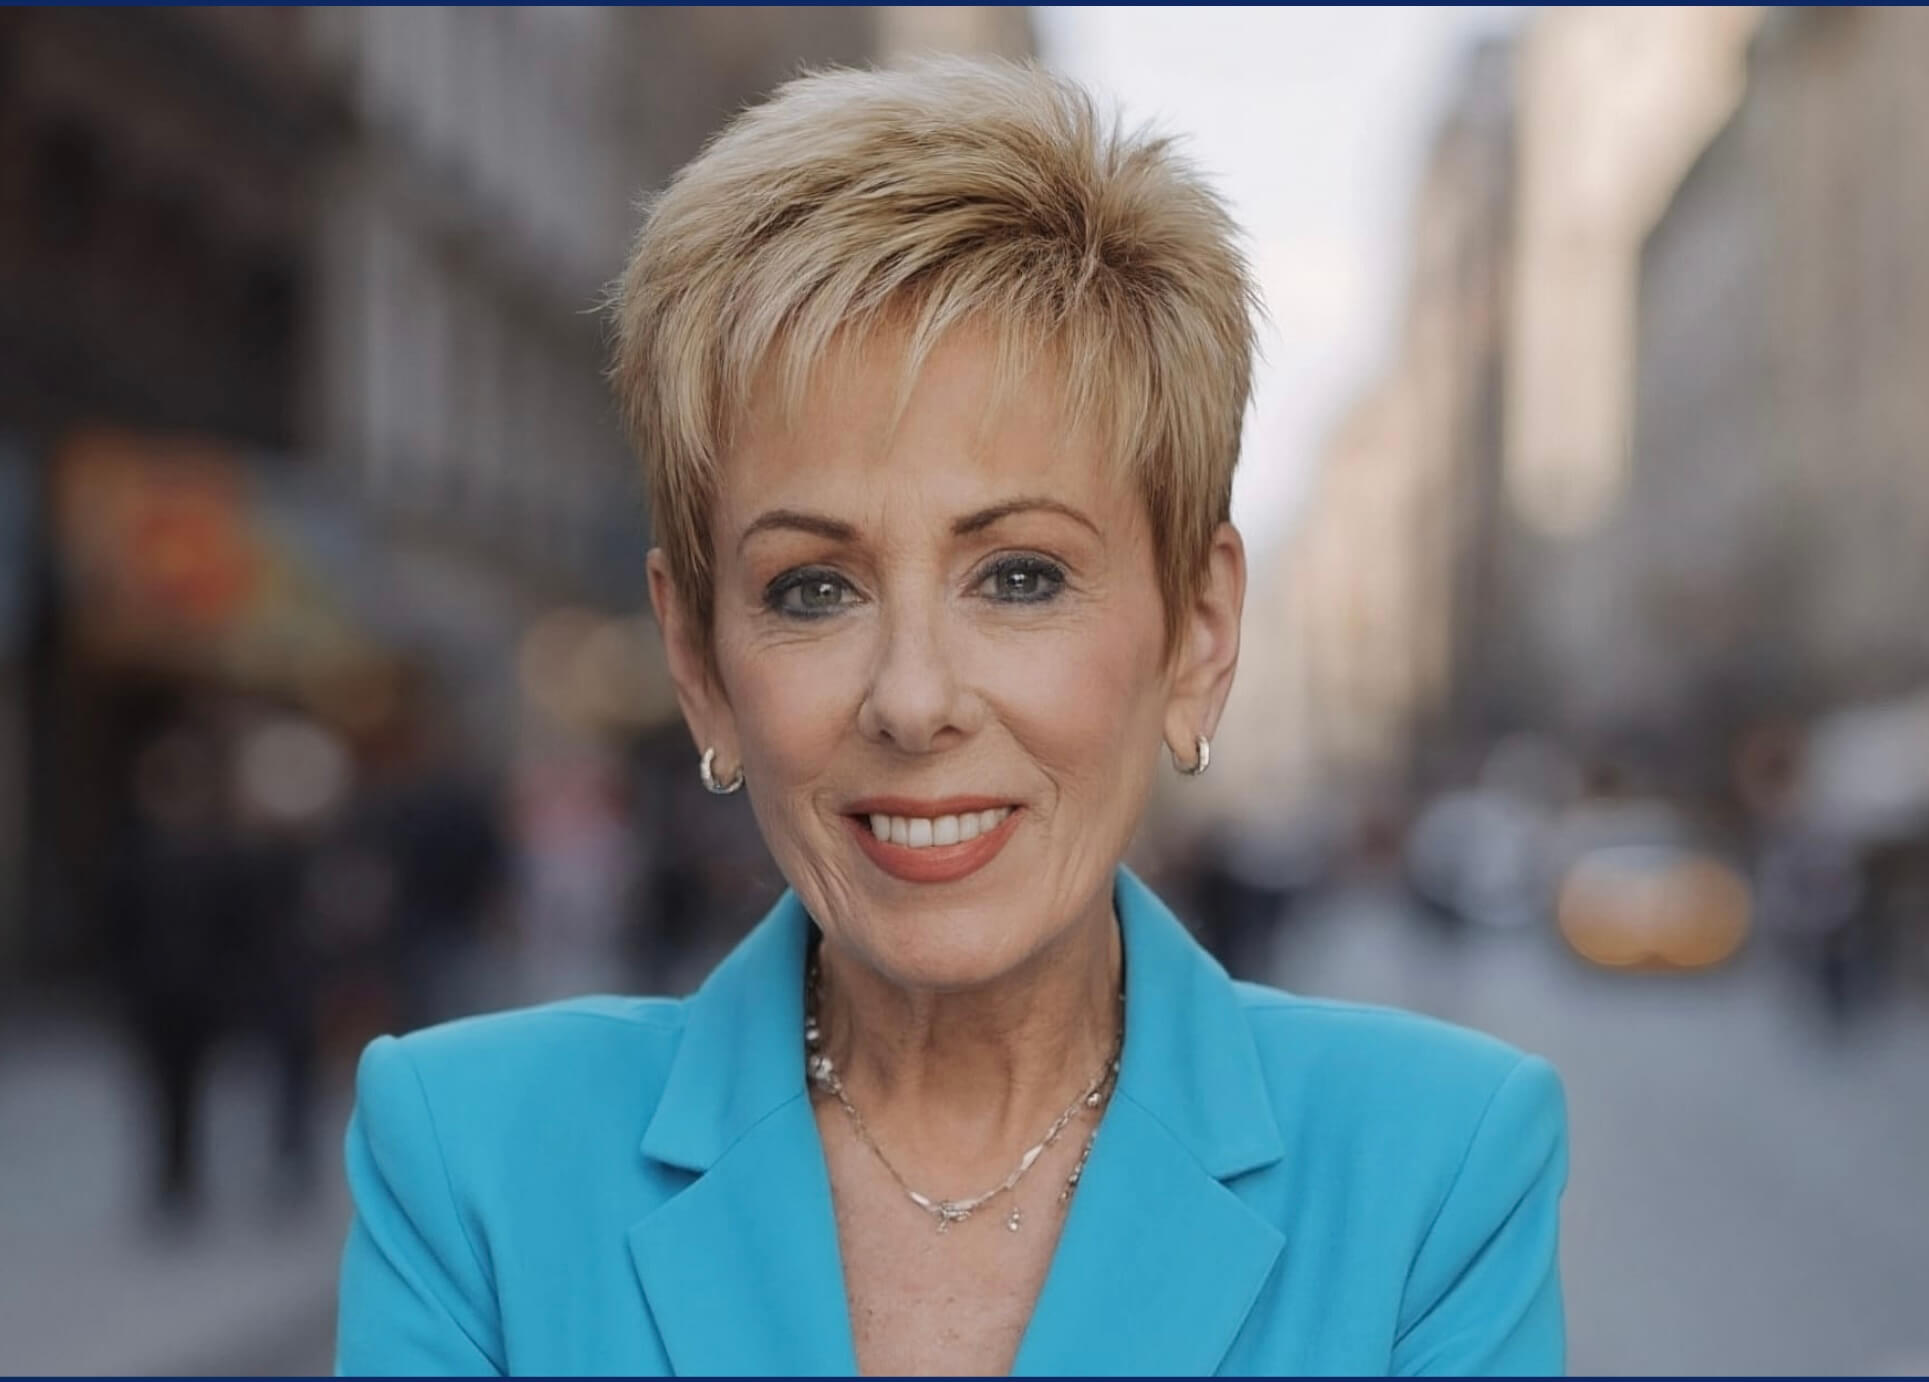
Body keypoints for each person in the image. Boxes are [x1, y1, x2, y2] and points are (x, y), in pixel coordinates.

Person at [336, 59, 1567, 1376]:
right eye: (812, 588)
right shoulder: (466, 1159)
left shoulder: (1438, 1167)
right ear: (698, 661)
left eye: (1020, 576)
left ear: (1199, 631)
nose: (914, 700)